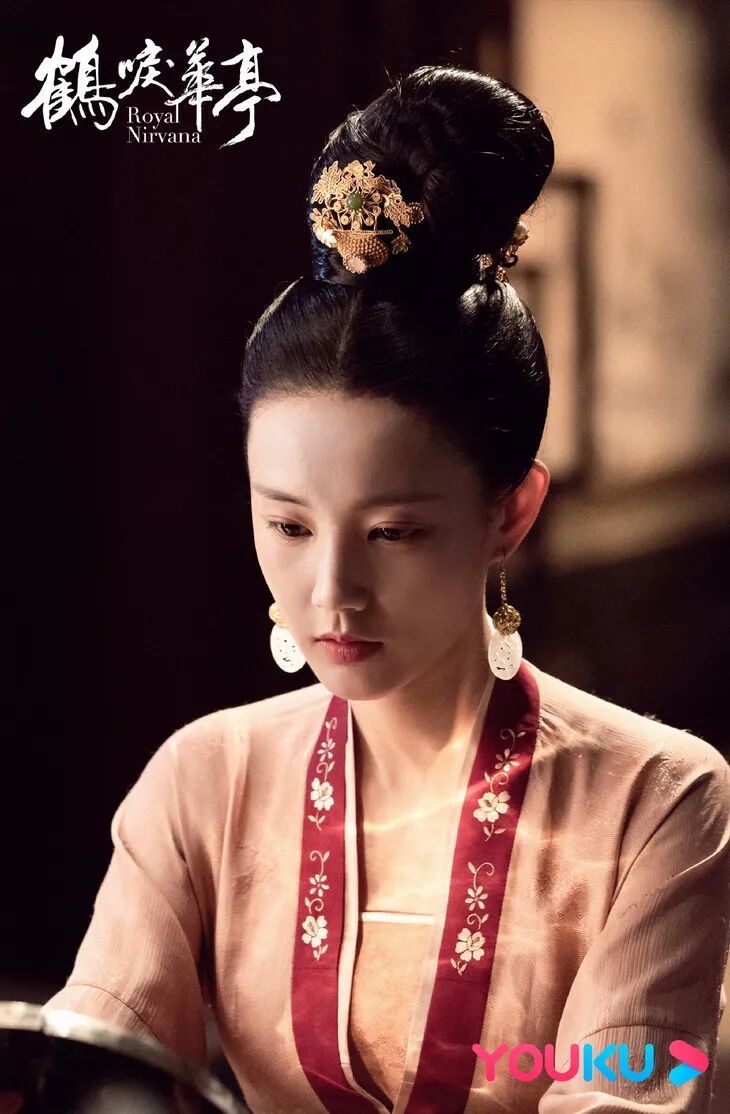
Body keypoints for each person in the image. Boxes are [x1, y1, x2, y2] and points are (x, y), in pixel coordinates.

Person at [42, 64, 730, 1113]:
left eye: (394, 531)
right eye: (287, 525)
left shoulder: (656, 804)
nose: (332, 589)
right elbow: (97, 1076)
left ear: (510, 512)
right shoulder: (204, 784)